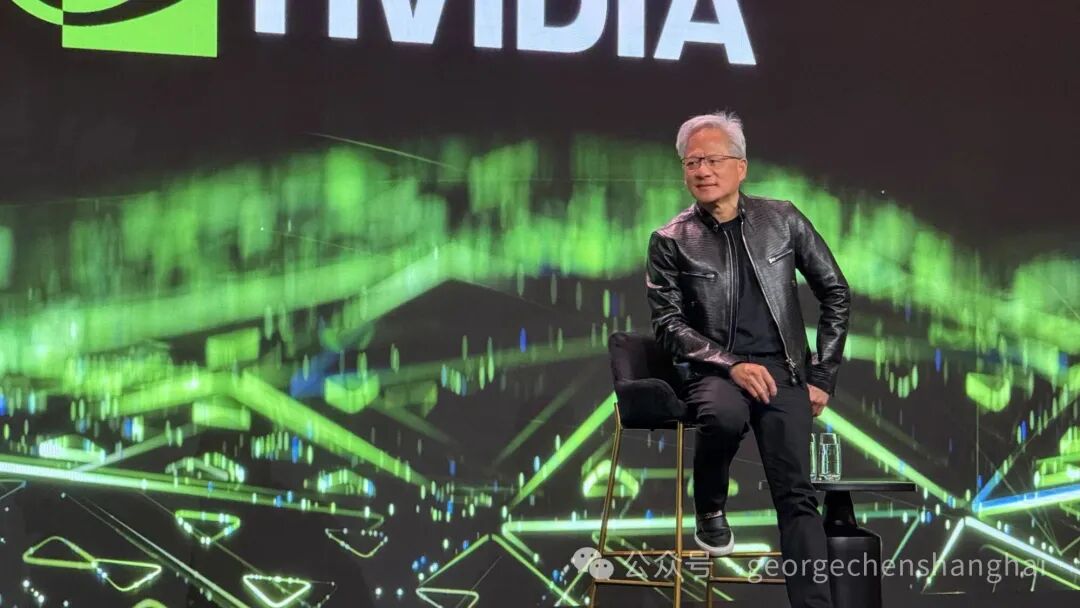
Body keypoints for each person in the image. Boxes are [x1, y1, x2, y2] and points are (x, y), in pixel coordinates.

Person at [646, 111, 850, 608]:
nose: (702, 171)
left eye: (713, 160)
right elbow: (668, 324)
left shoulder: (783, 219)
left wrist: (821, 374)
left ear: (741, 167)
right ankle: (710, 506)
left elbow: (835, 292)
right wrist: (730, 364)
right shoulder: (671, 239)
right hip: (715, 368)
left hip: (783, 369)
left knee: (797, 493)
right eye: (692, 162)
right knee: (723, 414)